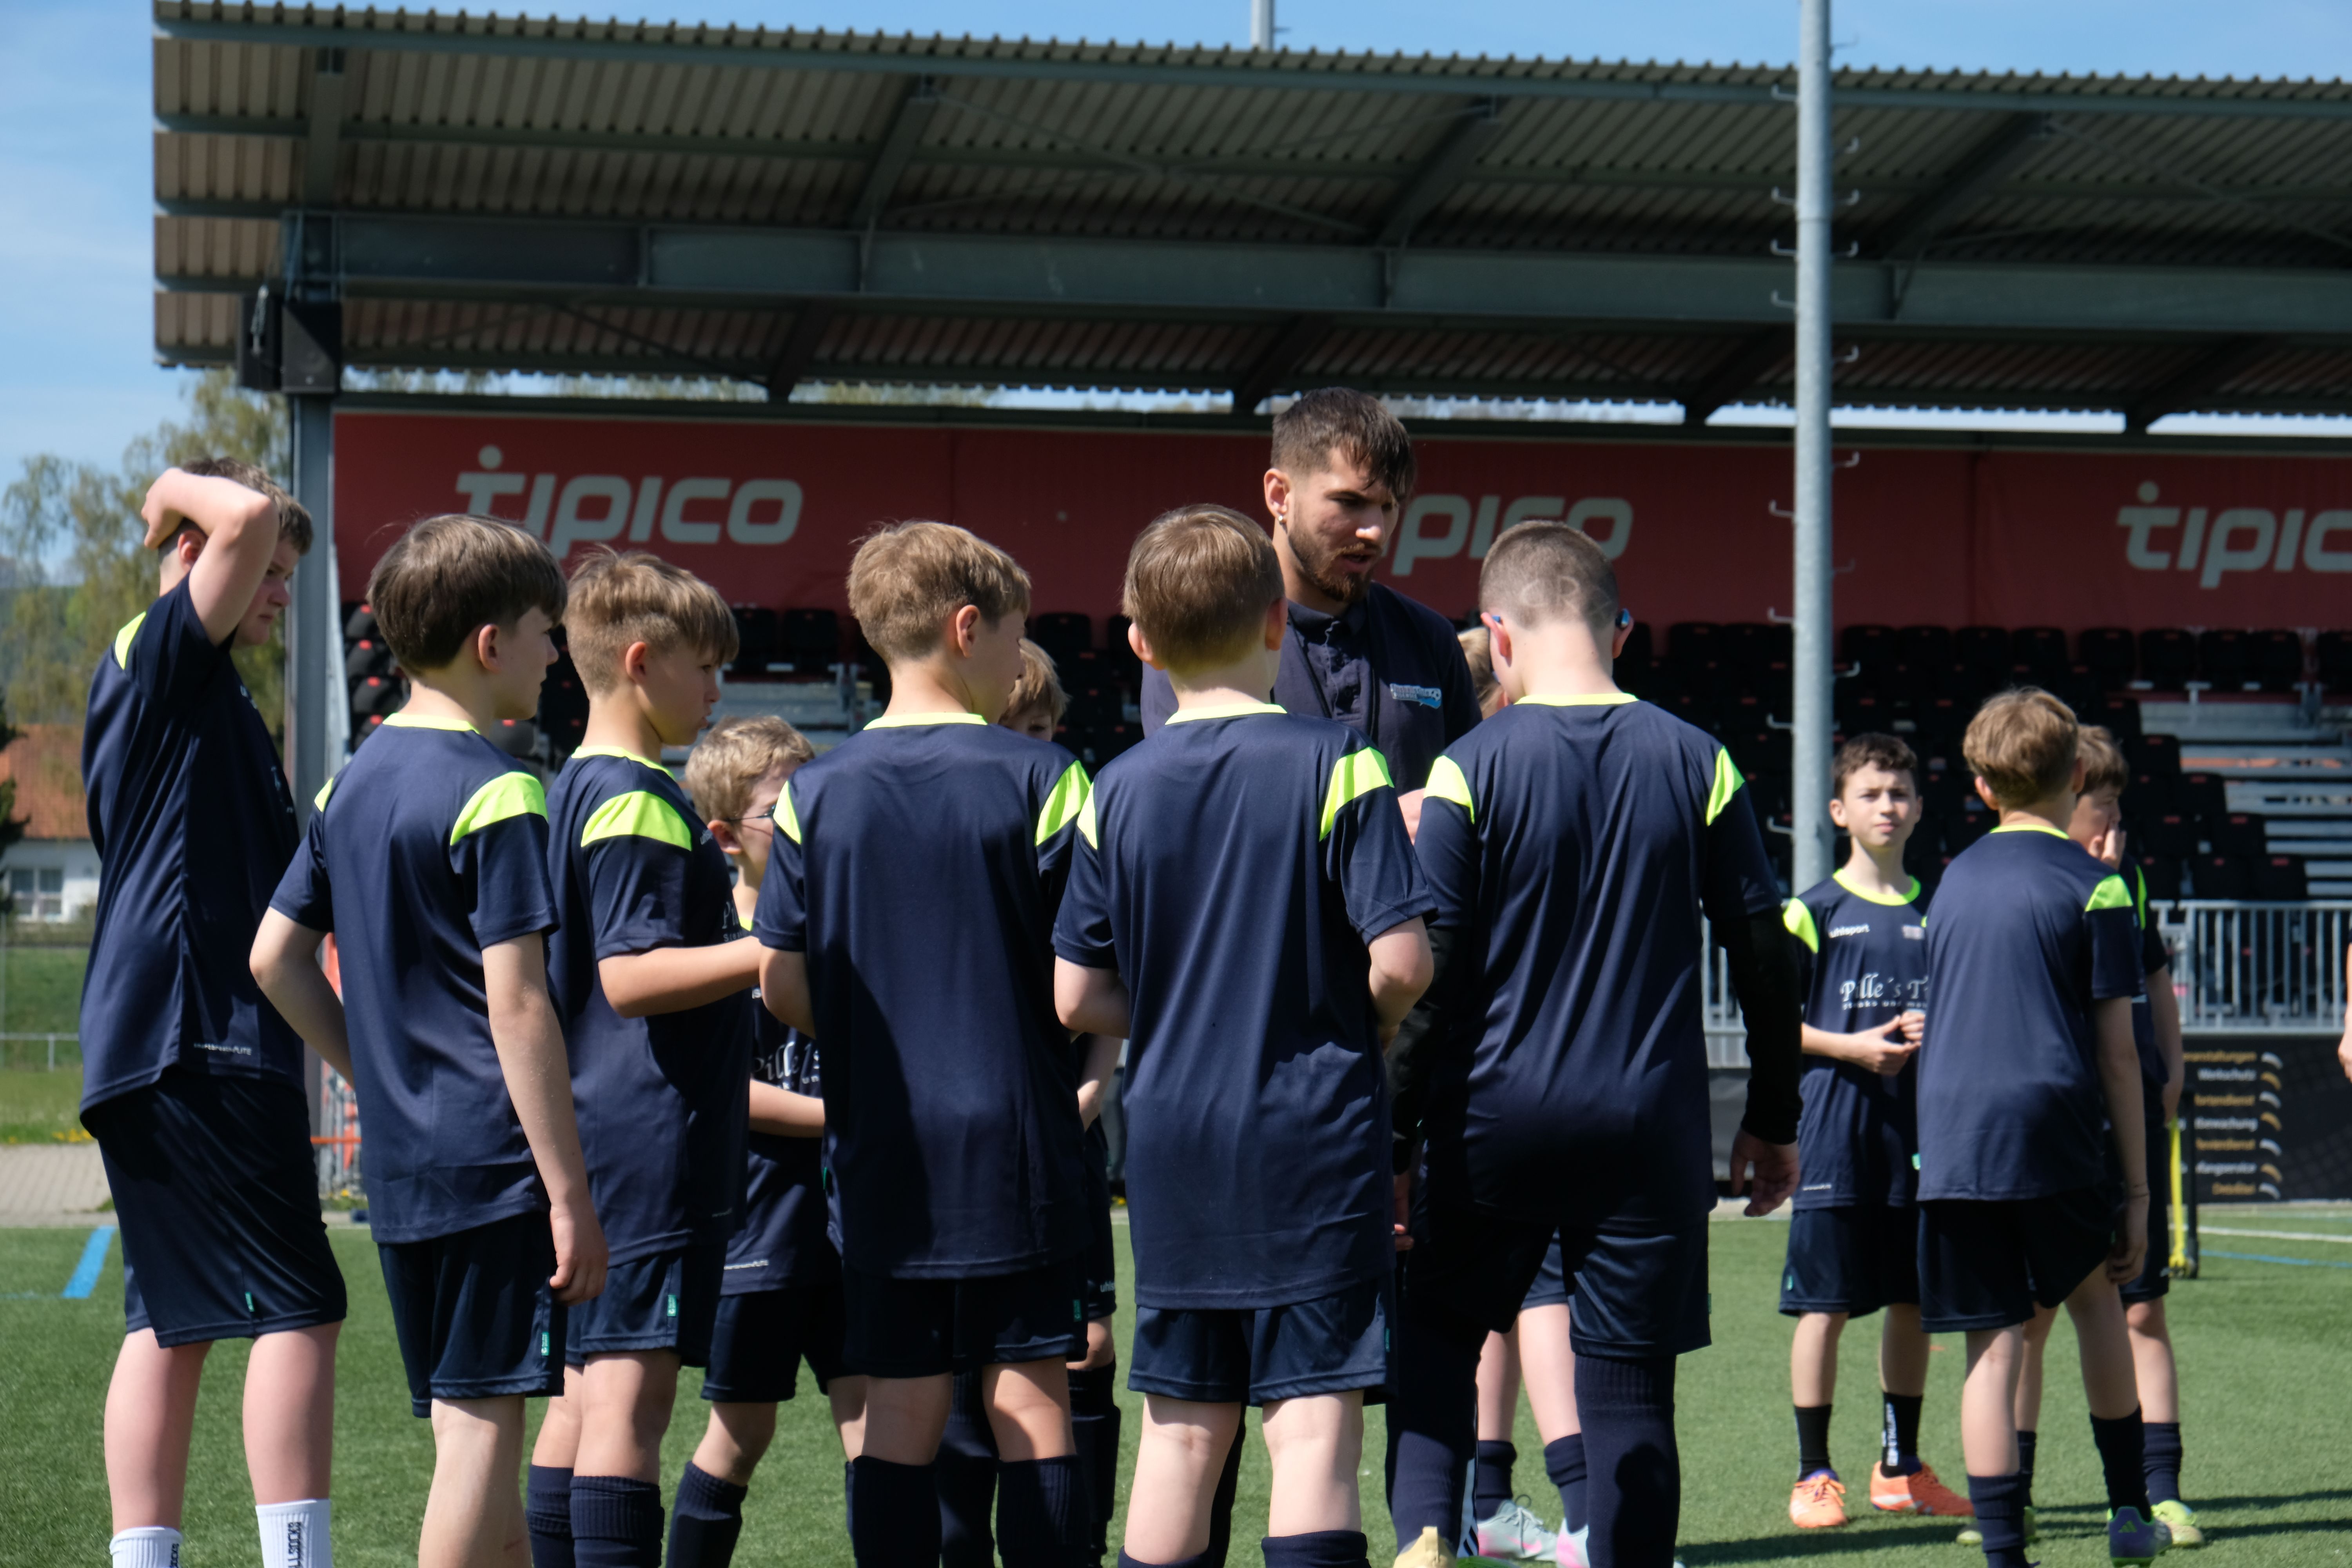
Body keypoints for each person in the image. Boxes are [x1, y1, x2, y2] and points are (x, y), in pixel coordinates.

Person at [1386, 521, 1802, 1568]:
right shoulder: (1700, 760)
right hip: (1646, 1132)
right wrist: (1773, 1116)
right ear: (1622, 631)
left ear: (1497, 635)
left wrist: (1392, 1139)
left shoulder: (1466, 767)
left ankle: (1427, 1538)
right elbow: (1764, 955)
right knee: (1628, 1389)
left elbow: (1432, 975)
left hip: (1491, 1124)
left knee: (1438, 1346)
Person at [1054, 503, 1435, 1568]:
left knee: (1180, 1429)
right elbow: (1403, 964)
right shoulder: (1342, 760)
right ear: (1277, 622)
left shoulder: (1113, 789)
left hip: (1175, 1144)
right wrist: (1357, 1020)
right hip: (1312, 1133)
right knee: (1311, 1427)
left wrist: (1190, 1005)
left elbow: (1076, 997)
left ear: (1140, 641)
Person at [251, 514, 608, 1568]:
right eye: (545, 632)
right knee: (481, 1432)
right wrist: (569, 1193)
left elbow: (273, 959)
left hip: (406, 1165)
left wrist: (374, 1075)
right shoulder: (500, 787)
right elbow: (520, 1006)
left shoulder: (347, 784)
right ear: (490, 645)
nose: (557, 655)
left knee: (472, 1424)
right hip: (494, 1166)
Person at [752, 521, 1096, 1568]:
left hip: (882, 1146)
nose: (1018, 657)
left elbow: (780, 982)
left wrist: (871, 1030)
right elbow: (1083, 983)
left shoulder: (813, 792)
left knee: (899, 1407)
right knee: (1032, 1399)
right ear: (966, 627)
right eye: (1015, 635)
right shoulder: (1047, 777)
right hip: (1016, 1142)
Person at [80, 461, 345, 1568]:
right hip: (197, 1034)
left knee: (168, 1319)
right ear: (193, 551)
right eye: (272, 572)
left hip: (161, 1037)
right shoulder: (166, 649)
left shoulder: (205, 684)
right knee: (300, 1303)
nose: (279, 594)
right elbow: (238, 514)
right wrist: (170, 487)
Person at [524, 550, 756, 1568]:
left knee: (582, 1397)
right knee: (630, 1401)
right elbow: (631, 975)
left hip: (595, 1128)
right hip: (646, 1138)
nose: (717, 691)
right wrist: (773, 949)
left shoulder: (568, 786)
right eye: (704, 667)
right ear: (638, 661)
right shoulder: (641, 797)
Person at [1912, 689, 2168, 1568]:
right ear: (2081, 772)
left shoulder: (1949, 883)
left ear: (1982, 787)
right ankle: (2129, 1509)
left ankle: (2004, 1552)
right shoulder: (2098, 885)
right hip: (2053, 1128)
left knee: (1991, 1348)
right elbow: (2120, 1056)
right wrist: (2138, 1192)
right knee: (2097, 1302)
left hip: (1954, 1142)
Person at [1977, 725, 2204, 1553]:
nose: (2109, 818)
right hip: (2063, 1122)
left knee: (2139, 1309)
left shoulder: (2123, 882)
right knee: (2033, 1319)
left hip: (2126, 1116)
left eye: (2115, 804)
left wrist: (2171, 1067)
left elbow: (2154, 980)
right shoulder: (2042, 882)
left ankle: (2160, 1492)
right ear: (2063, 796)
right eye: (2097, 802)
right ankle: (2019, 1494)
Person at [662, 715, 868, 1568]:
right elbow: (728, 1093)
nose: (804, 827)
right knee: (740, 1432)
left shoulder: (840, 923)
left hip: (854, 1214)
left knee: (876, 1426)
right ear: (724, 837)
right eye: (781, 813)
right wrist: (843, 1116)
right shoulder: (712, 946)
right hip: (759, 1222)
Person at [938, 641, 1127, 1568]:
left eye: (1048, 727)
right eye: (1019, 730)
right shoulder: (957, 843)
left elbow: (1103, 987)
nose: (1038, 747)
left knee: (1087, 1347)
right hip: (976, 1144)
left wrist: (1087, 1094)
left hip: (1061, 1138)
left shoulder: (1073, 830)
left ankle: (1077, 1543)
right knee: (968, 1368)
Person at [1776, 734, 1971, 1529]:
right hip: (1836, 1135)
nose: (1886, 806)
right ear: (1838, 810)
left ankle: (1900, 1466)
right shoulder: (1812, 910)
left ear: (1919, 807)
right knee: (1823, 1307)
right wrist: (1854, 1047)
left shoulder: (1944, 910)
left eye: (1899, 793)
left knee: (1912, 1303)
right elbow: (1771, 1026)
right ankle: (1813, 1472)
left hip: (1925, 1139)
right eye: (1870, 793)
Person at [1140, 389, 1480, 795]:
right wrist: (1381, 823)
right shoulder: (1203, 626)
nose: (1375, 530)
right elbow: (1190, 806)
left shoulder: (1431, 639)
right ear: (1279, 496)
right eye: (1349, 501)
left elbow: (1474, 805)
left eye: (1390, 506)